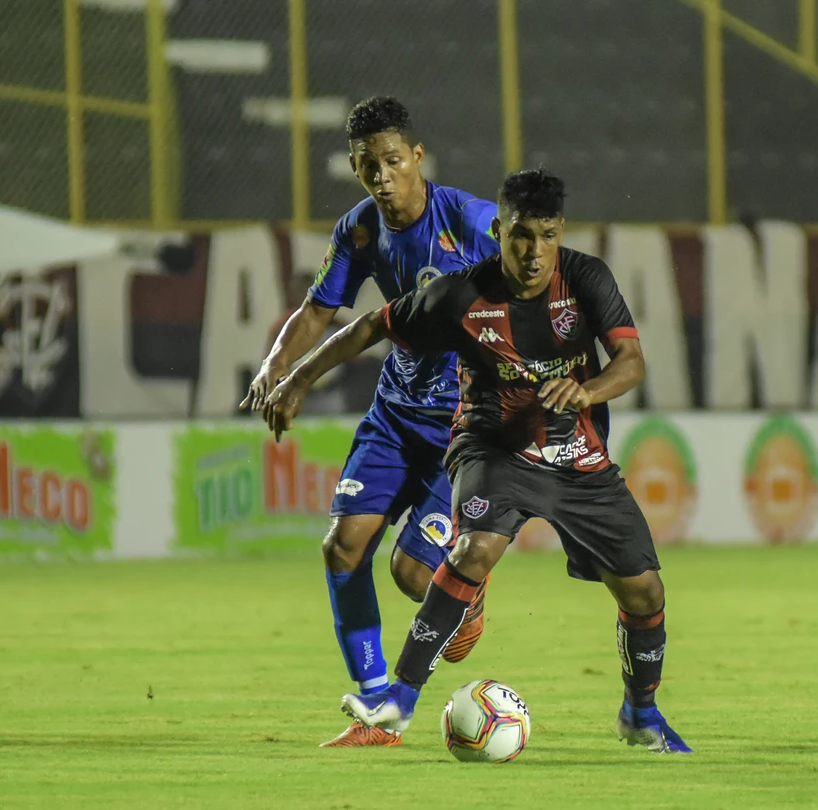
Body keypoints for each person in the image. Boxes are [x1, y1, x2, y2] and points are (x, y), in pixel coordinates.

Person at [264, 168, 692, 754]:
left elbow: (631, 361)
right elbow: (370, 326)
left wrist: (587, 392)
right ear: (498, 230)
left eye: (545, 235)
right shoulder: (461, 295)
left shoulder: (587, 278)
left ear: (560, 231)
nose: (533, 251)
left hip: (576, 455)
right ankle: (400, 697)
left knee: (644, 593)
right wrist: (296, 377)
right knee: (474, 548)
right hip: (491, 447)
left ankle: (640, 713)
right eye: (520, 234)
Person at [240, 97, 499, 748]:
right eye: (366, 166)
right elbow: (319, 309)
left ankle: (465, 582)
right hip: (396, 414)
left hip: (464, 429)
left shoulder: (473, 222)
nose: (381, 177)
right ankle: (376, 712)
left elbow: (540, 287)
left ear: (417, 157)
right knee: (342, 546)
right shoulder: (360, 230)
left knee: (412, 574)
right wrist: (275, 367)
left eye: (391, 161)